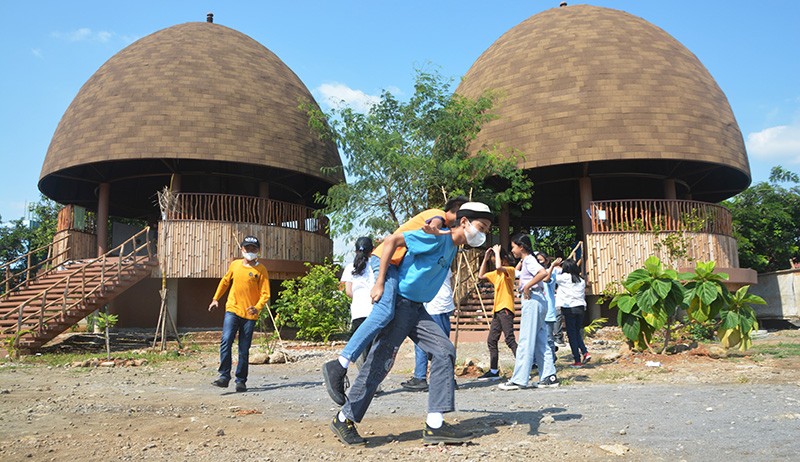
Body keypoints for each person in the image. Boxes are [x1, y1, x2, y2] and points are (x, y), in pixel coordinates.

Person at [329, 202, 493, 446]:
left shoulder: (453, 248)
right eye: (481, 227)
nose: (483, 234)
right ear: (464, 222)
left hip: (417, 310)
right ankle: (344, 418)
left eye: (487, 230)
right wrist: (381, 281)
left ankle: (435, 424)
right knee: (378, 365)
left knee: (444, 350)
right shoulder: (437, 238)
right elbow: (392, 242)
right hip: (399, 305)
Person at [322, 196, 469, 405]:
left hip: (394, 265)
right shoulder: (436, 215)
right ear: (454, 210)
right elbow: (433, 223)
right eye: (462, 215)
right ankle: (339, 364)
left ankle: (343, 367)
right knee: (383, 313)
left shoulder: (448, 236)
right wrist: (380, 281)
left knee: (386, 320)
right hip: (385, 260)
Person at [208, 235, 271, 392]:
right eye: (247, 248)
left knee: (244, 348)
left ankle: (241, 380)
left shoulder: (261, 270)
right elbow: (225, 281)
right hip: (232, 309)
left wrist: (257, 307)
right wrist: (216, 299)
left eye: (253, 249)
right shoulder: (235, 265)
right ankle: (224, 376)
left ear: (258, 251)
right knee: (226, 340)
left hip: (250, 314)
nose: (250, 251)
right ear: (242, 249)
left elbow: (265, 293)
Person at [498, 234, 559, 390]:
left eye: (513, 247)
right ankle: (548, 376)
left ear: (521, 247)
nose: (512, 250)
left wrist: (526, 286)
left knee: (526, 340)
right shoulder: (527, 260)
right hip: (539, 301)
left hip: (532, 300)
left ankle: (519, 379)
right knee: (541, 340)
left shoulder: (530, 260)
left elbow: (543, 273)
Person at [401, 269, 455, 391]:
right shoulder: (443, 261)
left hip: (435, 305)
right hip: (442, 304)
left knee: (424, 343)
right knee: (441, 344)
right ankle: (446, 378)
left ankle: (422, 377)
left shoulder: (432, 262)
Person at [476, 244, 517, 381]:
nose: (494, 260)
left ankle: (524, 367)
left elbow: (500, 266)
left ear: (503, 258)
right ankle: (494, 371)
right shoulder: (495, 274)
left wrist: (498, 251)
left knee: (509, 339)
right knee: (491, 340)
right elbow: (481, 275)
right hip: (497, 310)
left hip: (506, 308)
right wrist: (486, 258)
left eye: (495, 257)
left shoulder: (510, 270)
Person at [340, 237, 375, 370]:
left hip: (358, 312)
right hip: (374, 311)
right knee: (374, 347)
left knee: (362, 347)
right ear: (372, 250)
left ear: (355, 250)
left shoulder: (350, 267)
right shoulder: (375, 266)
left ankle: (363, 380)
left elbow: (348, 291)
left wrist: (359, 298)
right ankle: (374, 382)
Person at [554, 258, 591, 367]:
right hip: (580, 308)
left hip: (569, 308)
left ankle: (577, 360)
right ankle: (585, 352)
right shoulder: (581, 280)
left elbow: (549, 277)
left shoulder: (564, 278)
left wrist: (553, 266)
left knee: (571, 335)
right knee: (576, 332)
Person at [536, 251, 562, 364]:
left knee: (549, 338)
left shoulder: (551, 272)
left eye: (541, 261)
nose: (539, 263)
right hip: (538, 309)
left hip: (548, 310)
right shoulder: (535, 273)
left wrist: (552, 266)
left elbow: (546, 279)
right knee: (539, 338)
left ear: (546, 261)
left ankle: (551, 359)